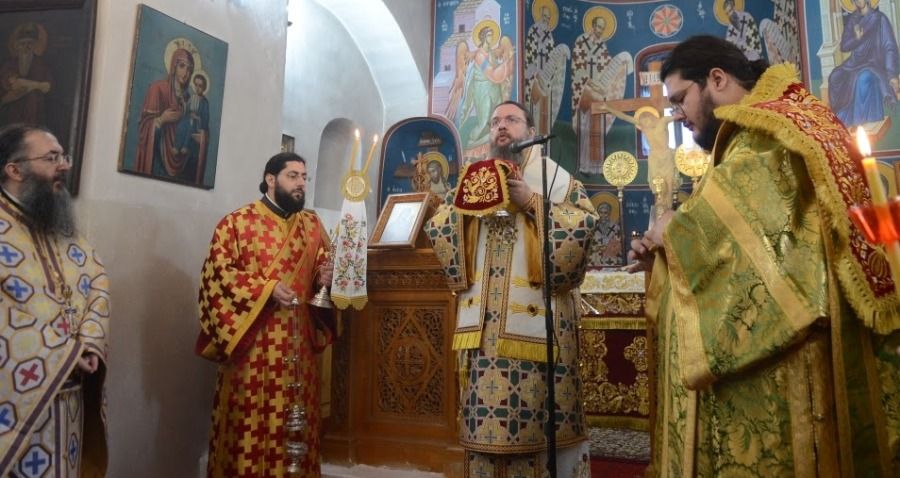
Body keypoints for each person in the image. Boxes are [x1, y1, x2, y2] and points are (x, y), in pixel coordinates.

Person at [629, 35, 899, 476]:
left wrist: (672, 230)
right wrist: (665, 256)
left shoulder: (766, 135)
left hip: (783, 376)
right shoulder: (782, 122)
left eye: (680, 99)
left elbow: (763, 243)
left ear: (717, 79)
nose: (677, 113)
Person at [425, 101, 597, 477]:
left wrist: (532, 203)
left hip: (542, 329)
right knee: (483, 428)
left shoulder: (555, 179)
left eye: (511, 120)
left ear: (531, 131)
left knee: (537, 426)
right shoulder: (475, 178)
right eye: (495, 122)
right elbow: (438, 226)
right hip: (483, 332)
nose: (501, 127)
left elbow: (584, 224)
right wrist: (465, 213)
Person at [196, 152, 334, 477]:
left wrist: (324, 278)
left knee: (296, 423)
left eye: (304, 177)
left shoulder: (312, 225)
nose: (301, 184)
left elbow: (321, 267)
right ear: (271, 179)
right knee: (250, 423)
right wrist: (265, 289)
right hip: (253, 349)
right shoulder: (236, 224)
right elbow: (217, 277)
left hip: (298, 347)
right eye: (292, 176)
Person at [0, 124, 109, 477]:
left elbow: (97, 282)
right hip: (15, 404)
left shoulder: (62, 230)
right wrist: (63, 352)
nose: (63, 165)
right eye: (51, 158)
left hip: (68, 403)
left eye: (64, 156)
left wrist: (89, 342)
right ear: (15, 170)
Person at [827, 0, 900, 129]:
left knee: (863, 78)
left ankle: (859, 121)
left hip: (874, 64)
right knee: (834, 76)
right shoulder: (853, 20)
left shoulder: (879, 19)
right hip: (855, 63)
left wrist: (892, 74)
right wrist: (857, 38)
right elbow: (844, 46)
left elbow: (889, 47)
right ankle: (842, 116)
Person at [135, 48, 194, 180]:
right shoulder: (157, 88)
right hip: (158, 158)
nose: (186, 73)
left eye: (190, 70)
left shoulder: (187, 98)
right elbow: (143, 129)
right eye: (182, 66)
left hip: (181, 161)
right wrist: (161, 120)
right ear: (174, 66)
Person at [0, 23, 52, 125]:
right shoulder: (9, 64)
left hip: (34, 111)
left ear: (35, 45)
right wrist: (36, 85)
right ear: (17, 46)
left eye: (30, 43)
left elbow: (47, 86)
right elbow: (12, 84)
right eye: (22, 43)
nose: (26, 47)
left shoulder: (41, 64)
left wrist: (29, 84)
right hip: (13, 111)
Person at [587, 202, 622, 267]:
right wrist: (597, 248)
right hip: (595, 260)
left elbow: (619, 245)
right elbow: (589, 246)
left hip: (611, 260)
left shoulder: (615, 227)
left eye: (605, 213)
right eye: (601, 213)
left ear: (609, 214)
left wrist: (608, 248)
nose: (603, 215)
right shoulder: (593, 227)